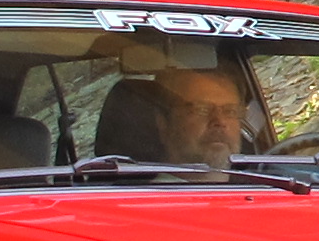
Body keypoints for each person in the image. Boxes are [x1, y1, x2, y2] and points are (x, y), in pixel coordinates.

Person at [102, 63, 250, 173]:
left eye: (230, 111)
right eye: (202, 109)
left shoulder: (266, 191)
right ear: (163, 124)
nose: (220, 121)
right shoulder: (132, 207)